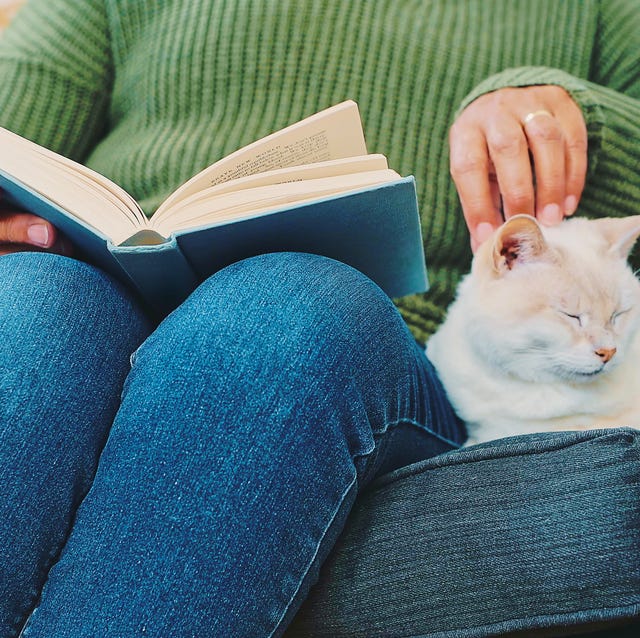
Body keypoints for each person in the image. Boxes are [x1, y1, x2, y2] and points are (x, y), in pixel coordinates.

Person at [0, 1, 638, 636]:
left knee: (279, 309)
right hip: (109, 288)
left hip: (379, 345)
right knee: (28, 302)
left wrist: (583, 122)